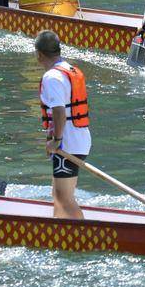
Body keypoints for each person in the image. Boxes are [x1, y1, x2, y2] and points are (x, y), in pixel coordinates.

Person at [33, 30, 89, 220]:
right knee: (57, 195)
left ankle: (82, 236)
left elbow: (58, 112)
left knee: (64, 197)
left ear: (39, 54)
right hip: (78, 138)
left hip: (68, 142)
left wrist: (56, 140)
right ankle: (59, 228)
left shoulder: (52, 77)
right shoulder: (69, 69)